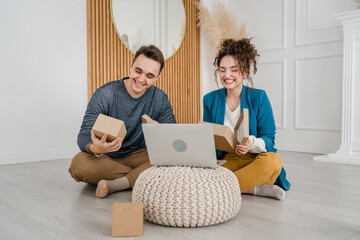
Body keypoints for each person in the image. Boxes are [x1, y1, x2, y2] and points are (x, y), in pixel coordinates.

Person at [69, 45, 176, 198]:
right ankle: (140, 178)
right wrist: (96, 148)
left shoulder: (160, 98)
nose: (141, 79)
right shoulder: (106, 94)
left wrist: (161, 133)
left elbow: (173, 138)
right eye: (138, 71)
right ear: (131, 67)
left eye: (149, 76)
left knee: (170, 159)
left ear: (157, 78)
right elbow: (84, 135)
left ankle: (116, 184)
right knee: (78, 164)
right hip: (105, 156)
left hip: (139, 155)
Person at [203, 38, 290, 200]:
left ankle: (216, 188)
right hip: (227, 159)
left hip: (255, 158)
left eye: (233, 70)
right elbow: (209, 136)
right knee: (203, 172)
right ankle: (253, 189)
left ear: (244, 72)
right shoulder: (209, 99)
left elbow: (269, 138)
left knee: (273, 162)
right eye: (222, 70)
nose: (226, 75)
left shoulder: (259, 97)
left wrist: (252, 143)